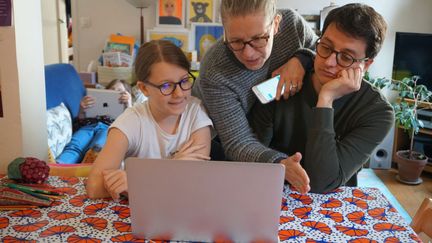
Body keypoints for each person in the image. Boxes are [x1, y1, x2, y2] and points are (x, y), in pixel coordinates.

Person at [251, 3, 394, 194]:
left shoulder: (377, 112)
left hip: (333, 209)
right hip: (270, 193)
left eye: (346, 57)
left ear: (366, 65)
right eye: (325, 47)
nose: (328, 62)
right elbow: (251, 157)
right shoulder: (283, 82)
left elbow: (322, 183)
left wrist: (326, 100)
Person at [86, 40, 213, 200]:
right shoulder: (130, 122)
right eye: (166, 86)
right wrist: (176, 168)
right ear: (144, 88)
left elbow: (195, 179)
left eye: (184, 81)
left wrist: (139, 180)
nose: (179, 93)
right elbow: (94, 187)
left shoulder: (195, 112)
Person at [193, 0, 317, 162]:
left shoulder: (293, 26)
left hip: (276, 126)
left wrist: (301, 59)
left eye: (258, 38)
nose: (248, 54)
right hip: (218, 140)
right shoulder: (214, 71)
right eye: (236, 41)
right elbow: (237, 142)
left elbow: (320, 51)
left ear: (276, 24)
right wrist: (278, 163)